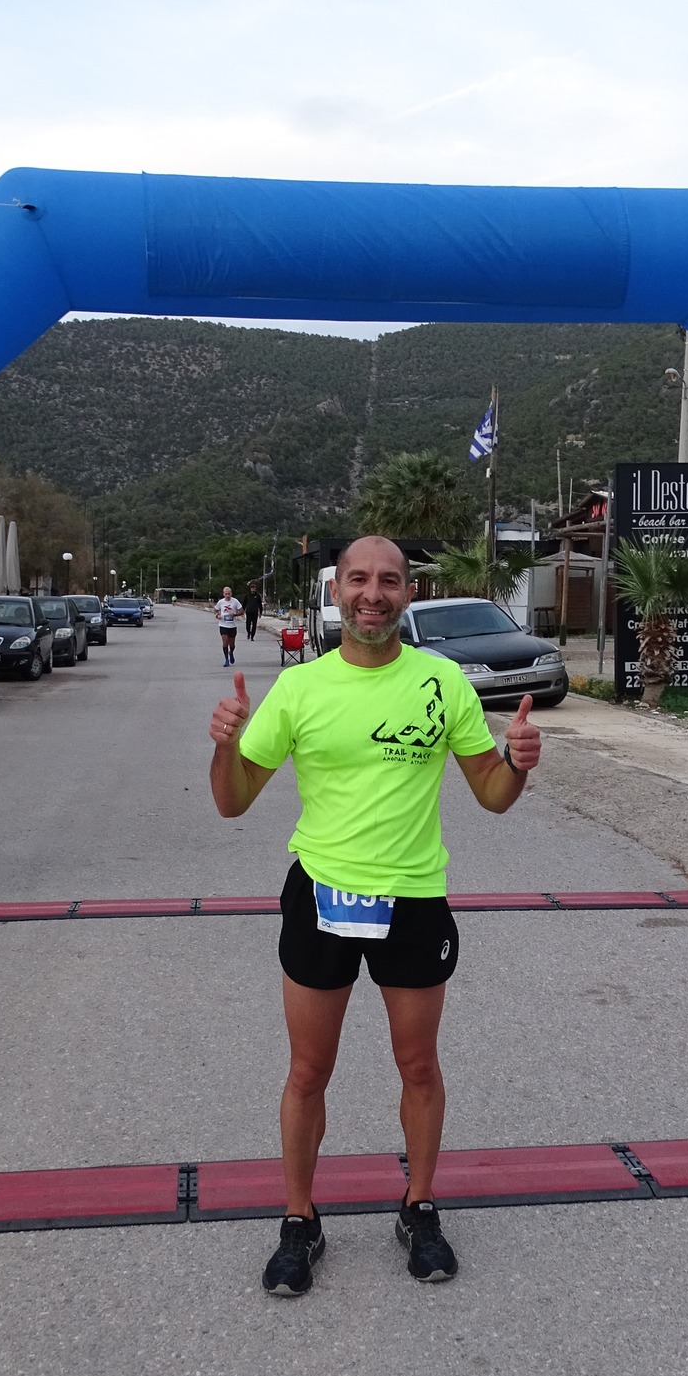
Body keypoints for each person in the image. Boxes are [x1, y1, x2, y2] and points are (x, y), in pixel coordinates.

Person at [208, 535, 542, 1296]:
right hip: (321, 895)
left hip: (414, 899)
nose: (373, 593)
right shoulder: (300, 688)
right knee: (307, 1071)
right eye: (358, 579)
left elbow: (492, 795)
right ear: (336, 592)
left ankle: (418, 1207)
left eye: (389, 580)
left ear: (408, 594)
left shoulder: (442, 681)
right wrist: (224, 747)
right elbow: (232, 802)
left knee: (418, 1066)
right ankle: (300, 1219)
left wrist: (517, 763)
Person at [214, 585, 243, 666]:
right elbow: (215, 610)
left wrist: (235, 614)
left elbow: (242, 611)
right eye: (226, 594)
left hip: (232, 626)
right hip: (223, 625)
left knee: (232, 644)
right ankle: (226, 660)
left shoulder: (235, 601)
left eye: (229, 594)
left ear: (231, 593)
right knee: (225, 642)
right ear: (223, 594)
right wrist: (217, 615)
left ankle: (231, 652)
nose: (227, 595)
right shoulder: (221, 602)